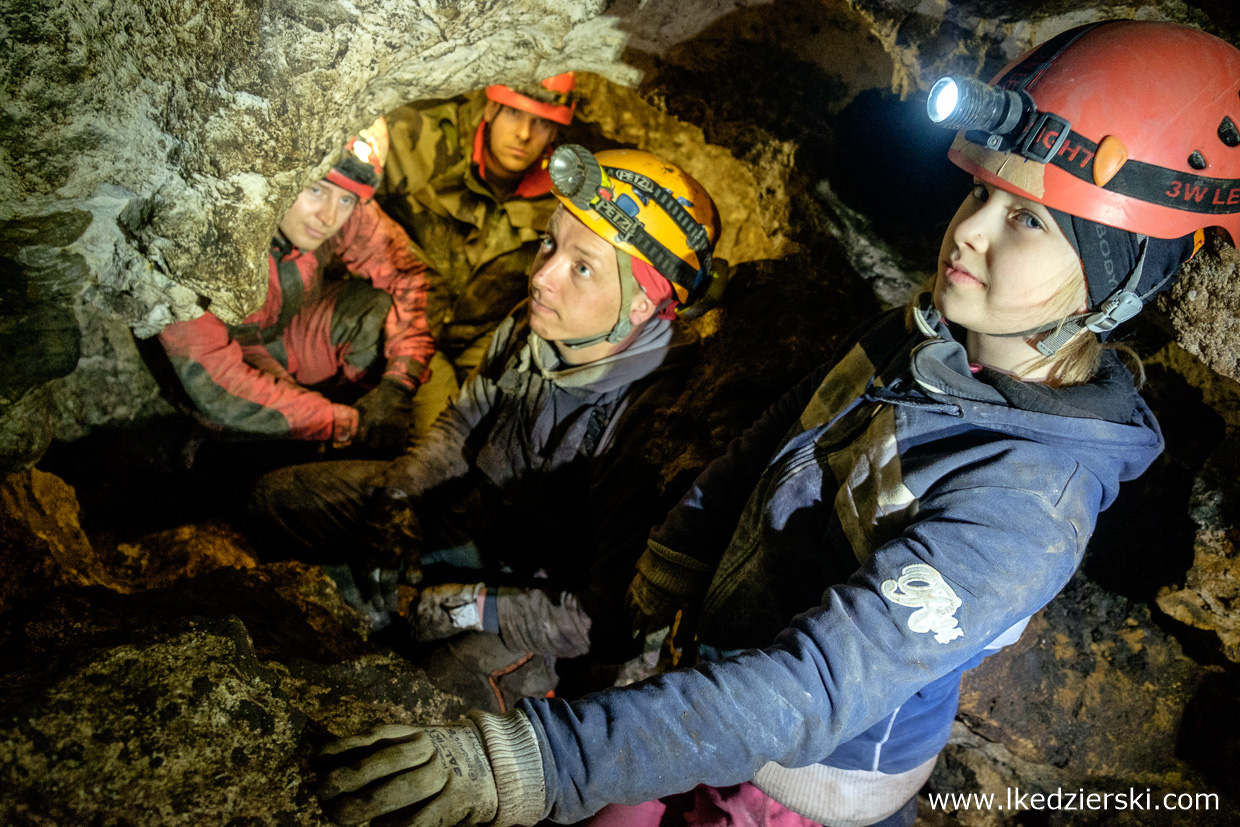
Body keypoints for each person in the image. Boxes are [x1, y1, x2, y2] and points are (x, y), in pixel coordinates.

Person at [315, 20, 1240, 827]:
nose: (969, 232)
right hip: (703, 675)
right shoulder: (913, 335)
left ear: (1122, 277)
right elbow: (771, 442)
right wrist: (659, 590)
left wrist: (538, 760)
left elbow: (813, 687)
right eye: (980, 195)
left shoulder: (1028, 501)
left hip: (792, 780)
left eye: (1030, 221)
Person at [250, 147, 720, 705]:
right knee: (276, 499)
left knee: (441, 688)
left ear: (642, 303)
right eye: (550, 242)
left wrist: (471, 606)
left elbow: (610, 618)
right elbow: (462, 423)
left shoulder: (658, 423)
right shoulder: (535, 325)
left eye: (582, 266)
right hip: (480, 521)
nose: (542, 277)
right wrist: (400, 495)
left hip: (552, 600)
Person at [158, 119, 434, 451]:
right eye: (316, 189)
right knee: (256, 447)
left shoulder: (344, 207)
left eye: (346, 200)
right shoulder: (202, 237)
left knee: (375, 311)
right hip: (218, 375)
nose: (329, 217)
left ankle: (338, 427)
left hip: (285, 336)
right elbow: (213, 378)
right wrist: (340, 423)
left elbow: (407, 273)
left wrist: (398, 383)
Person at [379, 74, 577, 436]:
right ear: (491, 107)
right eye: (514, 115)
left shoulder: (565, 200)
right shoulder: (423, 141)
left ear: (556, 133)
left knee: (506, 430)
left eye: (542, 122)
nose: (524, 135)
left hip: (483, 340)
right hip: (406, 320)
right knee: (440, 435)